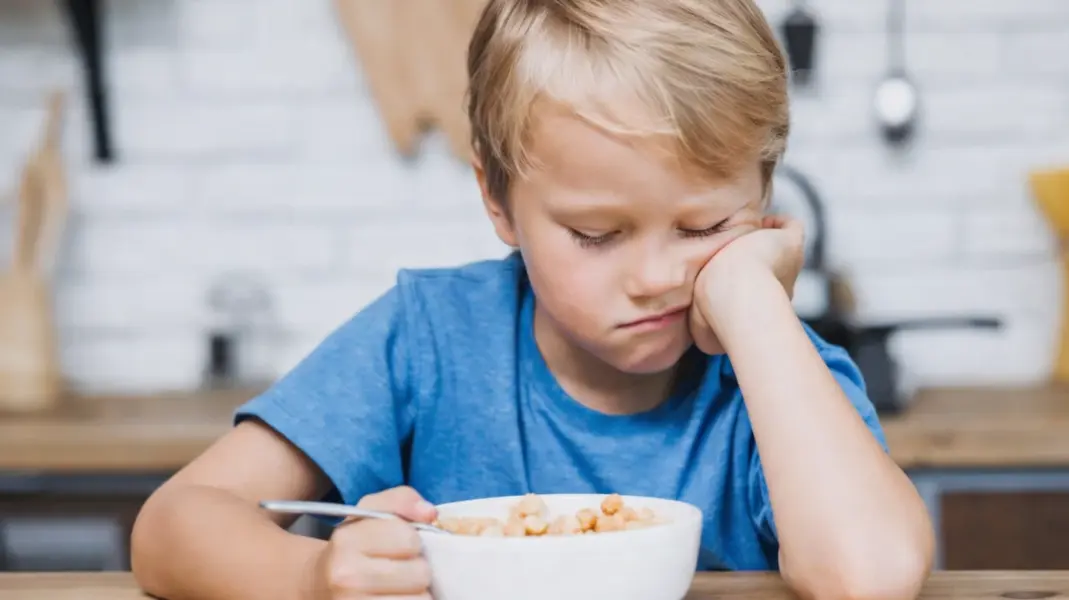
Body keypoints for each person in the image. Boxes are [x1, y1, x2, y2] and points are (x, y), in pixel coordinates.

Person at [131, 0, 934, 598]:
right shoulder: (430, 340)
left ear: (762, 200)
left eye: (704, 226)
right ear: (498, 200)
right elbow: (173, 525)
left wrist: (749, 298)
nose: (655, 275)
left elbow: (869, 574)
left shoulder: (782, 379)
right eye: (596, 234)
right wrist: (314, 577)